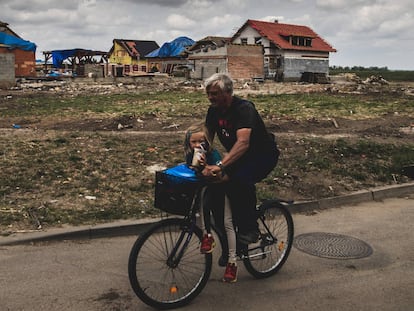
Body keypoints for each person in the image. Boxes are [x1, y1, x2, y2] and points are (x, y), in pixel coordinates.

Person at [201, 73, 280, 245]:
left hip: (262, 155)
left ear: (227, 93)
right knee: (214, 184)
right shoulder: (213, 111)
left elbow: (243, 143)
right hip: (240, 156)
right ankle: (227, 240)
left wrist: (221, 165)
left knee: (239, 181)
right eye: (208, 93)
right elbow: (206, 138)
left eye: (214, 94)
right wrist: (197, 157)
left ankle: (250, 229)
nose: (210, 98)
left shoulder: (244, 109)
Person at [184, 122, 239, 282]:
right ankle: (206, 235)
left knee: (227, 223)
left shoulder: (213, 154)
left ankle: (232, 262)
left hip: (224, 188)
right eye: (193, 142)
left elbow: (219, 174)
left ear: (207, 142)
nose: (197, 145)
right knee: (201, 206)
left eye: (201, 141)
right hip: (209, 189)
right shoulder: (190, 155)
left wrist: (206, 167)